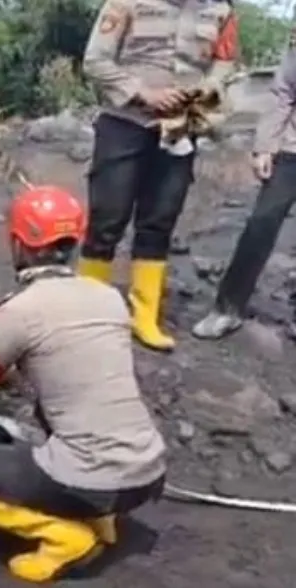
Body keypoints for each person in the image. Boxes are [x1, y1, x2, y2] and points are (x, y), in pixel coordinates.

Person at [0, 185, 166, 583]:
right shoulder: (109, 298)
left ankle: (64, 537)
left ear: (18, 243)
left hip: (90, 477)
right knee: (65, 417)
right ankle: (104, 524)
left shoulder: (17, 311)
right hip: (149, 471)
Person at [80, 0, 238, 351]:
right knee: (107, 219)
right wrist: (145, 93)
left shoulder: (220, 11)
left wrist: (208, 87)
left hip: (179, 130)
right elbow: (95, 61)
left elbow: (224, 60)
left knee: (159, 222)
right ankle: (85, 315)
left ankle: (144, 317)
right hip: (125, 123)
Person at [193, 48, 296, 339]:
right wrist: (265, 147)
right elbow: (283, 95)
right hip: (291, 149)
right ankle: (227, 309)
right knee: (261, 224)